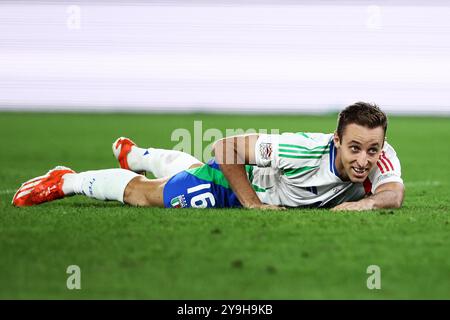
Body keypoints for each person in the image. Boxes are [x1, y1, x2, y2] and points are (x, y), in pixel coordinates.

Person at [12, 102, 404, 211]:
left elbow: (393, 194)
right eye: (354, 148)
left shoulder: (380, 157)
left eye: (372, 150)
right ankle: (67, 180)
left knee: (185, 173)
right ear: (336, 141)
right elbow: (226, 148)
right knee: (149, 196)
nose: (363, 160)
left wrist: (365, 205)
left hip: (261, 193)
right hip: (238, 184)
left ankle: (138, 155)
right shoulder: (299, 148)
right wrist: (251, 203)